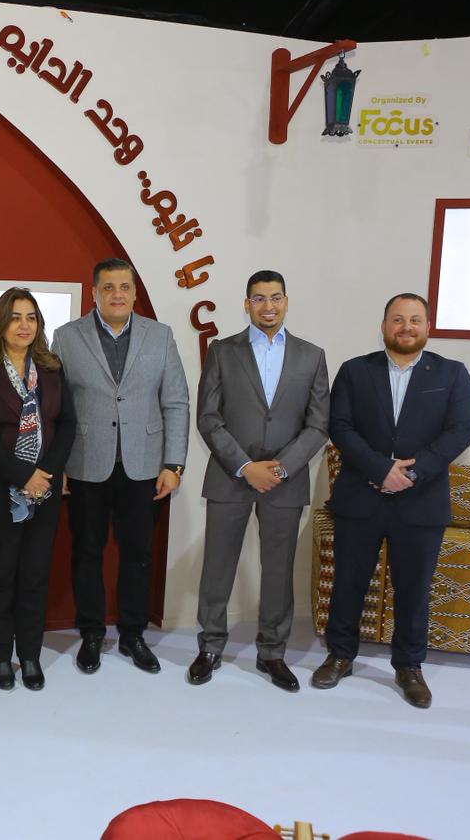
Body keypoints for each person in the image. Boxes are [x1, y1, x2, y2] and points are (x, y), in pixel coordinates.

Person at [311, 293, 470, 708]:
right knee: (348, 583)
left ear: (427, 327)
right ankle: (340, 655)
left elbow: (459, 432)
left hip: (421, 502)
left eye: (415, 320)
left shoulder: (453, 374)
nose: (406, 327)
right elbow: (340, 426)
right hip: (360, 498)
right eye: (398, 319)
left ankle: (409, 666)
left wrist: (411, 474)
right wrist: (380, 469)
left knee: (413, 590)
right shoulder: (355, 371)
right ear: (384, 326)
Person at [189, 269, 329, 691]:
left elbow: (318, 425)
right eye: (259, 298)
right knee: (218, 566)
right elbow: (208, 417)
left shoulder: (312, 356)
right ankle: (210, 646)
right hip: (230, 476)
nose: (268, 306)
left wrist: (281, 467)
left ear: (286, 301)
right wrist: (245, 465)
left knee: (278, 571)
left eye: (275, 297)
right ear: (246, 304)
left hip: (285, 481)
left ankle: (272, 652)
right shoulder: (222, 351)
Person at [51, 258, 189, 676]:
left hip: (144, 466)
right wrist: (58, 463)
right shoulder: (67, 337)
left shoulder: (160, 335)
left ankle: (133, 634)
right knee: (87, 553)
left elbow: (176, 402)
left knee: (138, 555)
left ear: (134, 292)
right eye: (108, 287)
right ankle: (91, 633)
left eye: (124, 287)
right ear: (94, 292)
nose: (117, 295)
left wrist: (173, 463)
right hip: (85, 464)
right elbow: (55, 406)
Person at [0, 287, 76, 691]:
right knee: (0, 574)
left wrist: (45, 472)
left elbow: (67, 424)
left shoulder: (51, 368)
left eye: (31, 317)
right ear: (1, 323)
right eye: (15, 317)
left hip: (45, 489)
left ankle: (29, 655)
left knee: (34, 575)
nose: (24, 325)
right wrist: (21, 475)